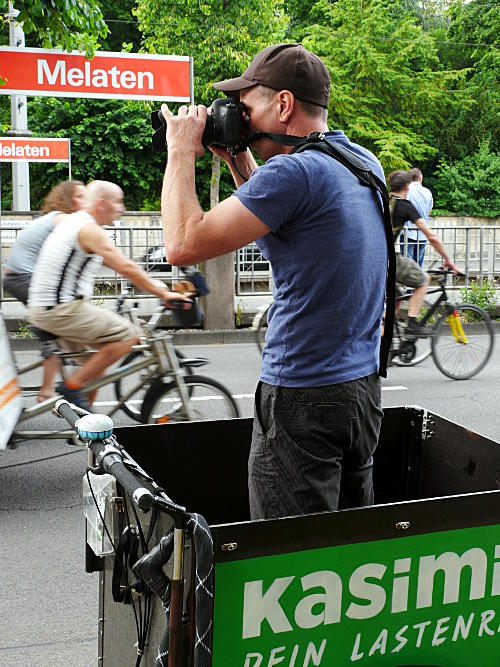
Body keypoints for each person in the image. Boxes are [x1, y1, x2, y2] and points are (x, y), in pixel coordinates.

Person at [160, 43, 390, 520]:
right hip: (361, 393)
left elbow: (182, 244)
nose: (238, 114)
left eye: (247, 104)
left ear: (282, 105)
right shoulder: (362, 163)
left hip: (302, 397)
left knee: (293, 563)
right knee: (349, 548)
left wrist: (181, 151)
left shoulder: (295, 172)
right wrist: (238, 161)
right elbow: (283, 237)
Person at [28, 180, 190, 411]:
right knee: (128, 335)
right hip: (60, 310)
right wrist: (164, 294)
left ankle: (85, 423)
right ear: (102, 203)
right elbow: (126, 267)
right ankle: (71, 388)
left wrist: (161, 285)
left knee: (95, 365)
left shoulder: (77, 223)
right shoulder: (89, 229)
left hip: (49, 308)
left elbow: (122, 266)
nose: (122, 208)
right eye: (118, 202)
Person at [3, 180, 86, 402]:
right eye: (80, 196)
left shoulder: (53, 219)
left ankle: (59, 383)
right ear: (67, 199)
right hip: (24, 277)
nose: (84, 201)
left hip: (20, 277)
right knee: (54, 327)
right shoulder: (63, 218)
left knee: (55, 330)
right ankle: (48, 391)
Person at [388, 170, 459, 335]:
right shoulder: (404, 206)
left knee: (397, 294)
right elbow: (431, 236)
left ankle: (387, 337)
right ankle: (412, 324)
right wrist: (448, 259)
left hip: (374, 258)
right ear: (407, 186)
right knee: (423, 279)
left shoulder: (383, 200)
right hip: (389, 258)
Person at [399, 167, 433, 267]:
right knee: (418, 267)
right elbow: (428, 212)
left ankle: (407, 283)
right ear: (420, 178)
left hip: (407, 233)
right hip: (422, 233)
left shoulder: (405, 191)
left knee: (407, 267)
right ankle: (417, 282)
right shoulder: (427, 192)